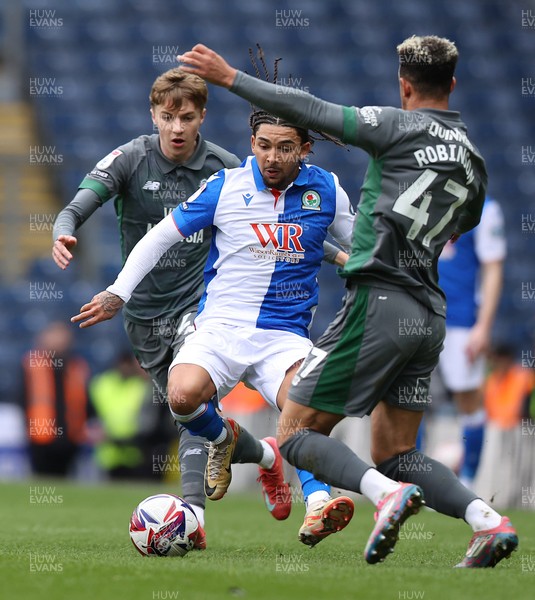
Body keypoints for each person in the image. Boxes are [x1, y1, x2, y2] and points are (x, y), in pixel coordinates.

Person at [176, 36, 519, 567]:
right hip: (430, 313)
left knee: (293, 431)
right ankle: (487, 520)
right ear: (452, 84)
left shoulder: (396, 125)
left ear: (404, 85)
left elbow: (312, 112)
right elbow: (460, 224)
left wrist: (230, 79)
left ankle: (385, 496)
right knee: (397, 451)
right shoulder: (474, 161)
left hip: (380, 303)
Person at [71, 109, 358, 547]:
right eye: (264, 145)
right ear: (252, 143)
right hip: (220, 326)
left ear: (305, 149)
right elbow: (160, 237)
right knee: (181, 397)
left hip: (283, 335)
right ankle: (229, 439)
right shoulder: (226, 186)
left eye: (285, 147)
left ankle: (318, 502)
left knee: (302, 411)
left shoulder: (326, 189)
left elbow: (362, 246)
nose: (273, 156)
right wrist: (119, 292)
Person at [53, 67, 242, 547]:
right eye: (167, 116)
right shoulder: (131, 159)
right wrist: (62, 230)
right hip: (141, 314)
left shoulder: (226, 167)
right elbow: (76, 205)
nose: (177, 127)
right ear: (153, 115)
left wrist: (339, 252)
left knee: (191, 398)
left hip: (200, 304)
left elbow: (275, 219)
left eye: (187, 117)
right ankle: (265, 461)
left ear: (203, 116)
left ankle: (193, 516)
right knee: (190, 414)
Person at [435, 198, 506, 487]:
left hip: (462, 320)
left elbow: (493, 268)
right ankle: (410, 483)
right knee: (407, 397)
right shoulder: (423, 200)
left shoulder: (486, 209)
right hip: (418, 313)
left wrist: (483, 326)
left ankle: (467, 482)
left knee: (468, 398)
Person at [20, 321, 92, 476]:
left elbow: (86, 400)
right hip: (41, 436)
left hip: (71, 436)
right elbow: (22, 398)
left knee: (65, 480)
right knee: (43, 479)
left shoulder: (77, 366)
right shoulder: (32, 365)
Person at [89, 351, 150, 480]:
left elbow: (147, 420)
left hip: (134, 449)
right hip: (108, 449)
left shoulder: (141, 385)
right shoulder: (101, 384)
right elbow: (91, 412)